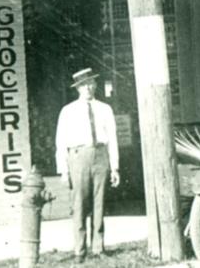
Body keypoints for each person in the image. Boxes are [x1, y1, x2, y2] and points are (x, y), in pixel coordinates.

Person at [55, 68, 120, 260]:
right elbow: (60, 143)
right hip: (78, 157)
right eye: (84, 85)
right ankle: (79, 250)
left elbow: (113, 139)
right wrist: (64, 171)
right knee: (79, 204)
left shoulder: (105, 109)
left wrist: (114, 167)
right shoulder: (68, 111)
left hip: (100, 155)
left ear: (96, 85)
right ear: (78, 88)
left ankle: (98, 248)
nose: (88, 88)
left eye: (91, 83)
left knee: (100, 202)